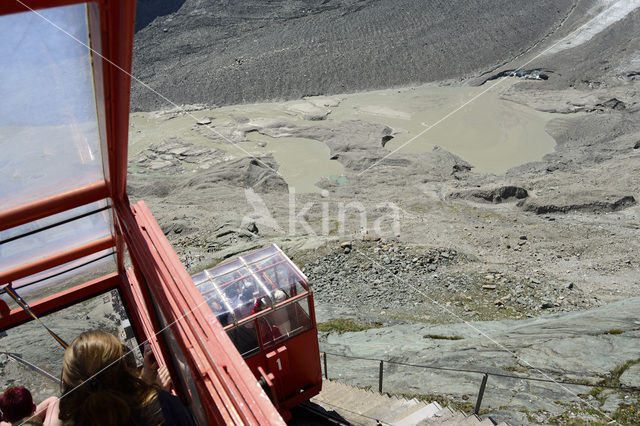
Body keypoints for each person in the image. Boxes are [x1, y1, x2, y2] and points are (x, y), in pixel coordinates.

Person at [58, 330, 195, 426]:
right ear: (124, 366)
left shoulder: (73, 421)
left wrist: (146, 380)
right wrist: (155, 395)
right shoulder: (163, 407)